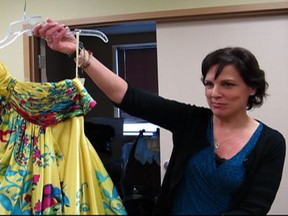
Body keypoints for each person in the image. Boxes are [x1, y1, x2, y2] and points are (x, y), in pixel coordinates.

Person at [33, 19, 286, 215]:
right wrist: (78, 52)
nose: (214, 93)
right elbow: (128, 96)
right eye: (209, 84)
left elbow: (254, 209)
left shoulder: (270, 143)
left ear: (252, 88)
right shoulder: (192, 120)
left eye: (227, 85)